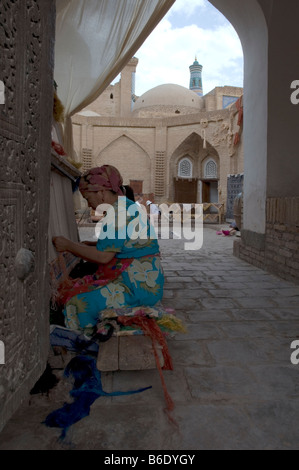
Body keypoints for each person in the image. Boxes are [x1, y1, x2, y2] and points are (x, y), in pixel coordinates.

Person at [52, 165, 164, 332]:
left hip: (138, 287)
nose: (89, 205)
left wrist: (69, 245)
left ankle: (87, 341)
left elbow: (103, 257)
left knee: (77, 303)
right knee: (78, 288)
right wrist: (88, 245)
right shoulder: (124, 207)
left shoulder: (119, 213)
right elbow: (120, 246)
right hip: (143, 280)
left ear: (101, 192)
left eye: (88, 198)